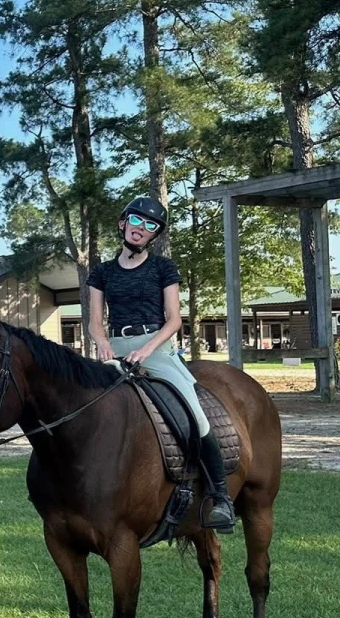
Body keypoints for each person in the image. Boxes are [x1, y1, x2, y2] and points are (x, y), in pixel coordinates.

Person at [86, 196, 235, 531]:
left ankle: (220, 497)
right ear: (123, 223)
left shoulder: (163, 268)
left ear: (155, 235)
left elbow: (173, 320)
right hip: (114, 348)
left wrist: (146, 350)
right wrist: (103, 344)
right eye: (137, 221)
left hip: (156, 345)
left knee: (195, 414)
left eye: (150, 225)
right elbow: (96, 320)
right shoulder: (102, 273)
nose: (141, 229)